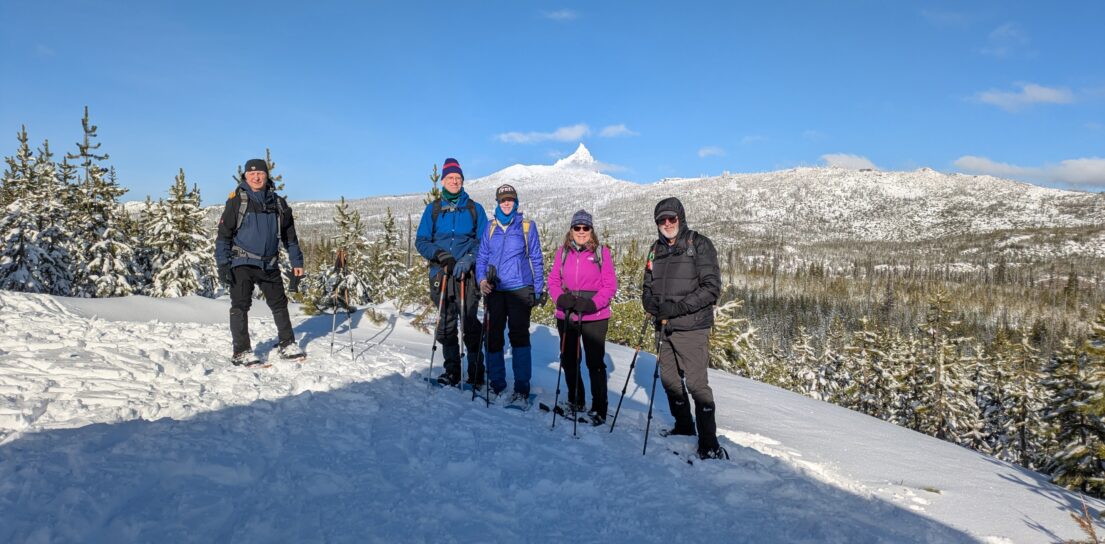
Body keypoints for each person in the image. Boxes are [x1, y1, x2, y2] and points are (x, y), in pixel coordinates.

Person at [641, 197, 728, 460]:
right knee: (669, 380)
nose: (667, 224)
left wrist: (677, 308)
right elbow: (647, 284)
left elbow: (711, 288)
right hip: (663, 326)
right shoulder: (655, 249)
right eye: (662, 220)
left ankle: (709, 443)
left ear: (681, 218)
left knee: (697, 385)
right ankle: (683, 426)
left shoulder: (698, 244)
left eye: (672, 218)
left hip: (692, 326)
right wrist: (649, 302)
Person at [215, 158, 305, 365]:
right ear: (245, 176)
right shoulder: (237, 201)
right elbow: (223, 236)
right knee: (240, 306)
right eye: (252, 174)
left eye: (260, 173)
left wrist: (297, 262)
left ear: (266, 175)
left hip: (269, 263)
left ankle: (287, 344)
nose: (256, 177)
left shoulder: (279, 204)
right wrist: (223, 263)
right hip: (241, 262)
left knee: (279, 304)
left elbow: (290, 238)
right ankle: (241, 351)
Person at [415, 158, 488, 386]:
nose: (454, 181)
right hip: (441, 274)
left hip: (467, 276)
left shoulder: (475, 209)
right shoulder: (434, 209)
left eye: (458, 178)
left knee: (470, 323)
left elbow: (484, 242)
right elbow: (421, 241)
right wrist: (440, 255)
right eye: (450, 178)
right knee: (445, 323)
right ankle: (452, 371)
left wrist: (470, 258)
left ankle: (476, 371)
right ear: (443, 181)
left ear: (463, 181)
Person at [475, 184, 545, 406]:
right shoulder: (490, 227)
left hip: (520, 289)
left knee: (519, 337)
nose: (506, 203)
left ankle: (521, 388)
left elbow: (536, 258)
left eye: (510, 200)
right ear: (497, 202)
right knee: (493, 337)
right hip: (495, 289)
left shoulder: (526, 226)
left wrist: (537, 289)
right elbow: (482, 257)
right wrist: (481, 280)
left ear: (516, 202)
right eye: (503, 200)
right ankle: (496, 383)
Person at [547, 209, 617, 425]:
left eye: (585, 228)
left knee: (595, 363)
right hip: (567, 313)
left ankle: (599, 407)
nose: (581, 231)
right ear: (571, 230)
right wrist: (560, 298)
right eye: (577, 227)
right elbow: (553, 281)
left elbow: (610, 285)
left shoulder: (601, 253)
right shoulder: (563, 252)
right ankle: (575, 400)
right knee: (569, 360)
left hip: (594, 315)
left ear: (591, 230)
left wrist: (593, 303)